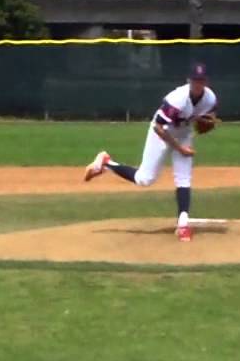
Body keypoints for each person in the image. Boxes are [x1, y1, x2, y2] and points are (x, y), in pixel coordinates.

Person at [83, 63, 220, 241]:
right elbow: (158, 127)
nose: (198, 84)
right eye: (195, 80)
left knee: (183, 177)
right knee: (144, 179)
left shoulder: (210, 98)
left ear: (206, 81)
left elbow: (211, 115)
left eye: (201, 80)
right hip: (161, 133)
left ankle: (183, 224)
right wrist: (179, 149)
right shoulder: (177, 98)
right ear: (189, 80)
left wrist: (208, 122)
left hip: (183, 133)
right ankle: (107, 163)